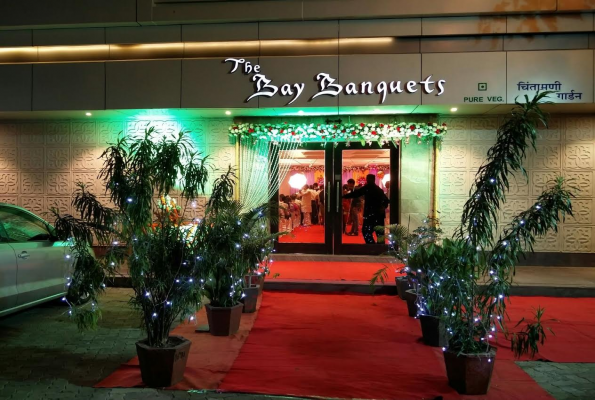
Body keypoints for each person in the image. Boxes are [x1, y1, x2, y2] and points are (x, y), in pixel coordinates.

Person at [343, 174, 389, 244]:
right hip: (379, 214)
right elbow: (386, 200)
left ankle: (372, 245)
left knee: (366, 231)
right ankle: (380, 247)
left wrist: (344, 196)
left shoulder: (367, 188)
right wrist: (383, 207)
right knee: (379, 233)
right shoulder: (379, 189)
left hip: (370, 213)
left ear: (368, 179)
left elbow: (356, 194)